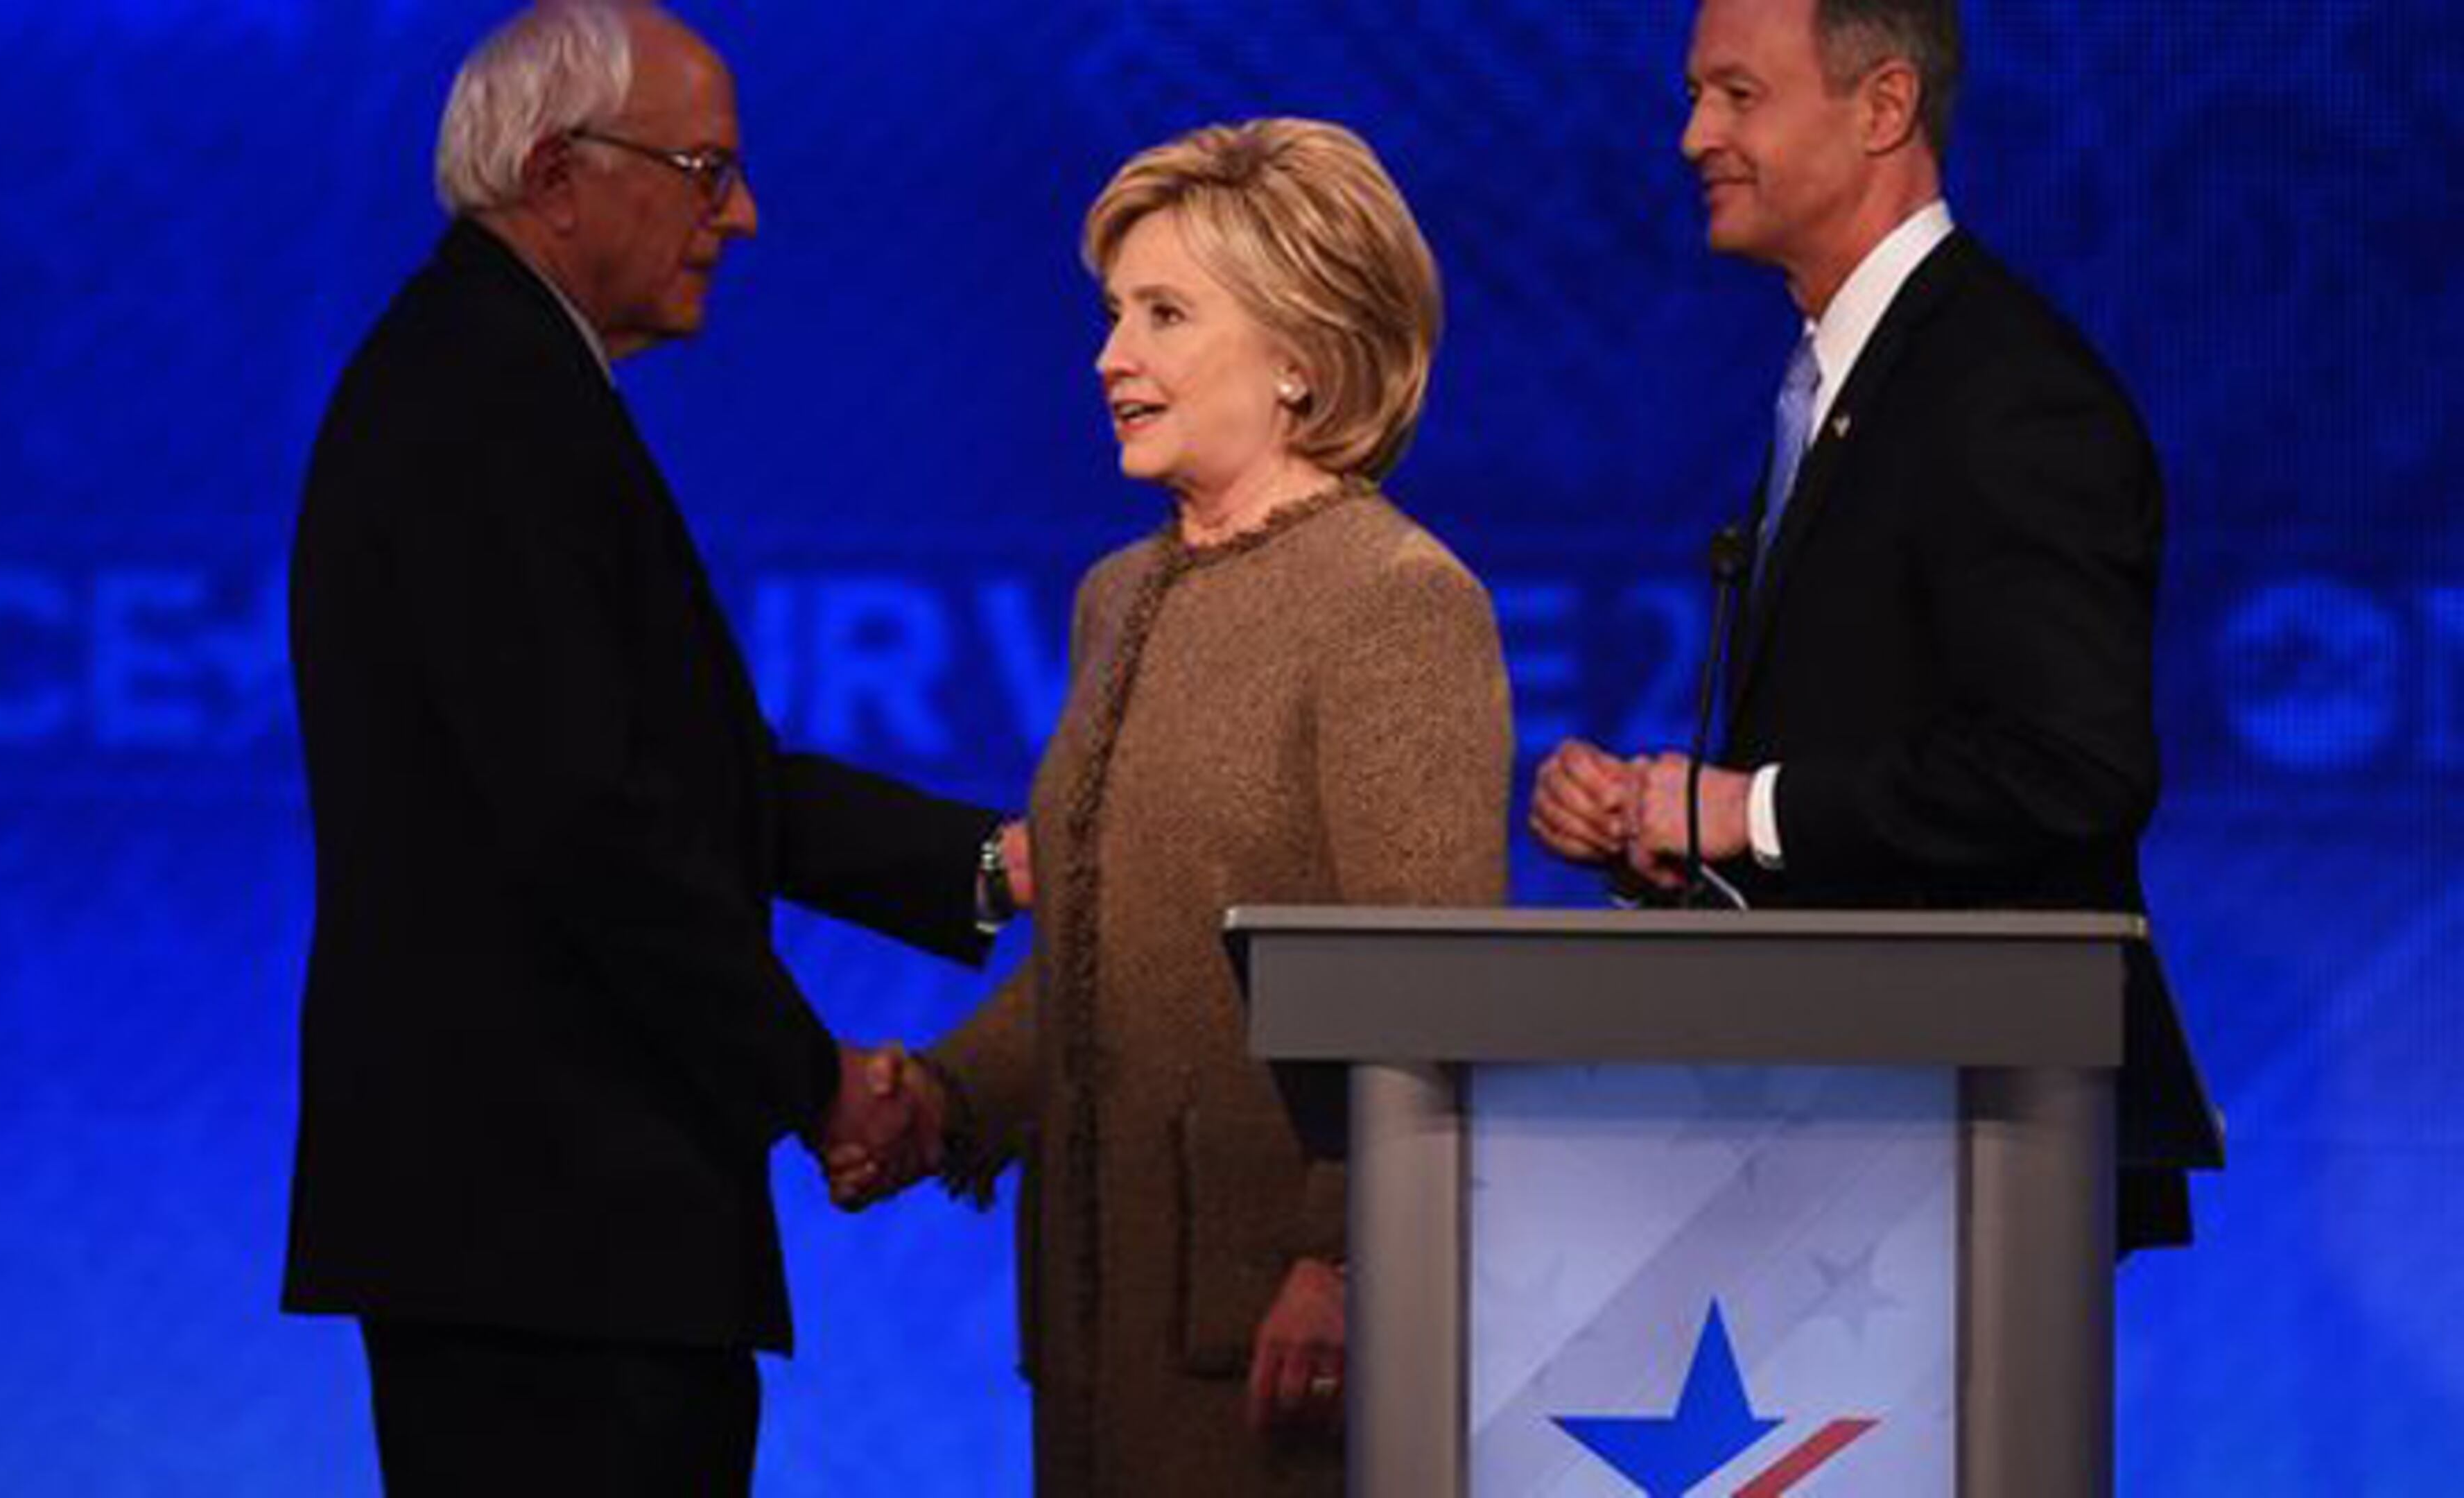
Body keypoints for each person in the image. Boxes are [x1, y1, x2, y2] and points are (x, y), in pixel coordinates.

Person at [282, 3, 1022, 1491]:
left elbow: (688, 779)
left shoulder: (499, 377)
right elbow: (588, 822)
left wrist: (997, 864)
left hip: (552, 1235)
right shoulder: (481, 402)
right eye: (705, 170)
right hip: (546, 1236)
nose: (740, 216)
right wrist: (815, 1080)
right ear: (558, 173)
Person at [822, 118, 1510, 1496]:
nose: (1110, 358)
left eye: (1164, 315)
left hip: (1271, 1326)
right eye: (1114, 313)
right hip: (1093, 1315)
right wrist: (947, 1098)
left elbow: (1429, 987)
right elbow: (1106, 950)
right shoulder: (1116, 597)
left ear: (1303, 352)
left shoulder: (1396, 603)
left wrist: (1343, 1258)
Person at [1528, 0, 2217, 1249]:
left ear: (1884, 107)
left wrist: (1751, 810)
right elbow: (1871, 730)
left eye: (1738, 95)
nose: (1693, 135)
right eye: (1694, 95)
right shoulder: (1855, 373)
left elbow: (2075, 770)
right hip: (1847, 1125)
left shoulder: (2006, 393)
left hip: (1977, 1130)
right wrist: (1672, 833)